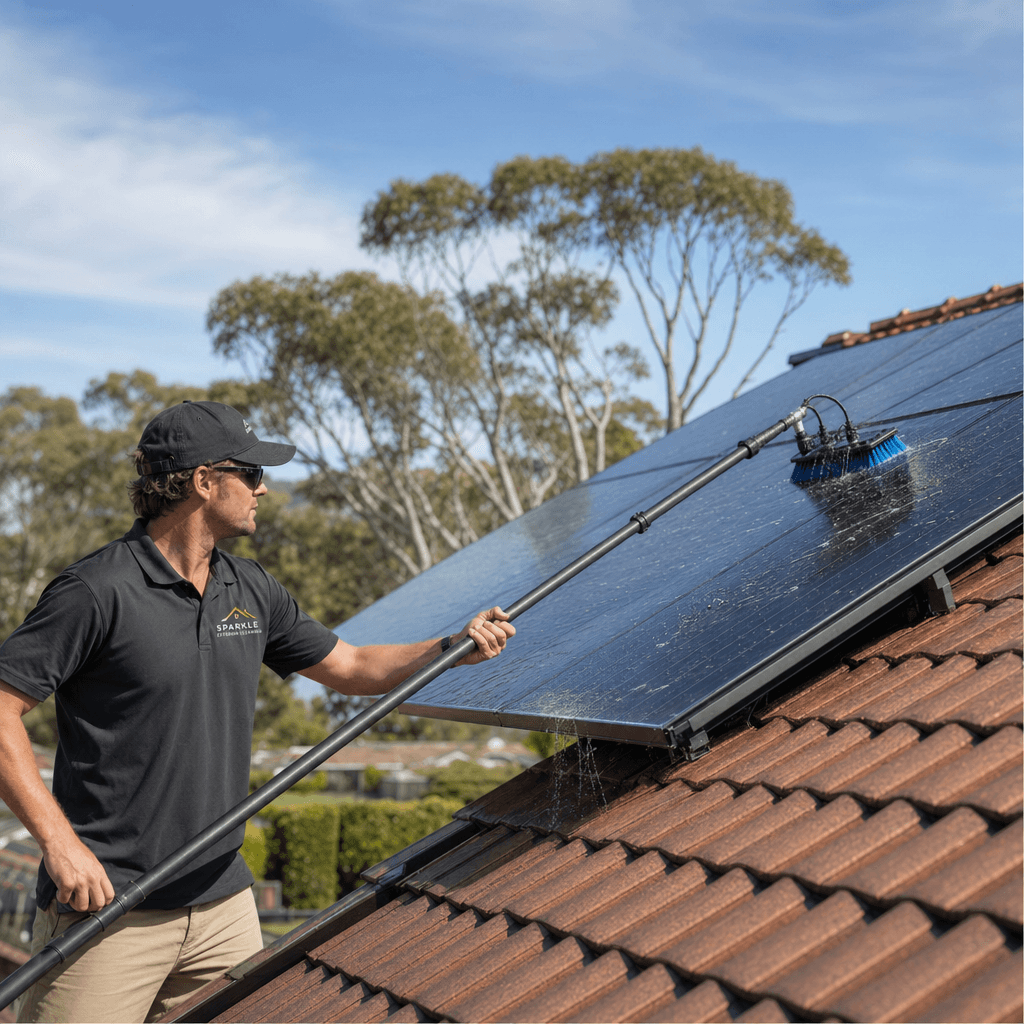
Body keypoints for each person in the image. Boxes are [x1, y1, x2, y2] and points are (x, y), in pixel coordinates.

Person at [0, 400, 515, 1023]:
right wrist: (60, 845)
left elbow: (351, 668)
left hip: (223, 908)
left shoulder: (251, 589)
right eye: (249, 472)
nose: (263, 487)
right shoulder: (96, 591)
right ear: (202, 481)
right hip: (108, 913)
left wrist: (451, 648)